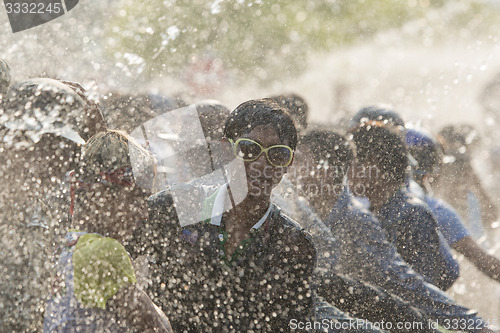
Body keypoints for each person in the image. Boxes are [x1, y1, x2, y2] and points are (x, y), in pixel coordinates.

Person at [144, 98, 316, 332]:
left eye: (276, 155)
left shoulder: (293, 244)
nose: (262, 164)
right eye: (249, 149)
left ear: (289, 162)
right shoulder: (173, 208)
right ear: (226, 150)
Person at [297, 129, 494, 332]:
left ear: (327, 170)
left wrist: (473, 326)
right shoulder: (306, 210)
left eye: (299, 161)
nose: (288, 170)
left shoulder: (388, 215)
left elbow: (410, 285)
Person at [0, 78, 106, 332]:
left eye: (64, 150)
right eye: (46, 146)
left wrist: (100, 133)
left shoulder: (38, 208)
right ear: (14, 141)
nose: (57, 163)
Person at [43, 130, 172, 332]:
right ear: (99, 195)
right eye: (136, 198)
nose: (144, 213)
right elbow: (156, 330)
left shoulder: (68, 245)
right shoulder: (102, 251)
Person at [349, 118, 460, 291]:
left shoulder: (410, 214)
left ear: (374, 164)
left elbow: (423, 289)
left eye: (353, 162)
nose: (347, 170)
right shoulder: (377, 209)